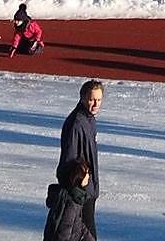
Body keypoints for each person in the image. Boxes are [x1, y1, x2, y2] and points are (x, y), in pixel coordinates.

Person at [57, 80, 103, 237]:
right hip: (80, 194)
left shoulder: (89, 120)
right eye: (92, 99)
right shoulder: (77, 124)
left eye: (99, 100)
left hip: (88, 191)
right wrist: (78, 189)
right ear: (83, 98)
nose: (96, 104)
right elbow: (69, 161)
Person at [43, 159, 93, 241]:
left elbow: (78, 225)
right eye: (86, 173)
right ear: (79, 176)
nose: (88, 176)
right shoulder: (70, 202)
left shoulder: (75, 197)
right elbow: (63, 232)